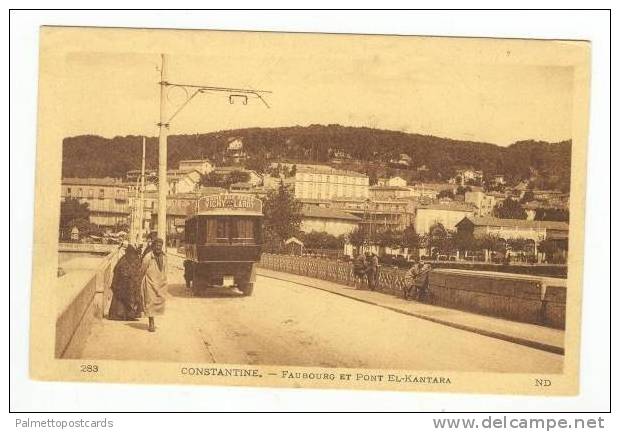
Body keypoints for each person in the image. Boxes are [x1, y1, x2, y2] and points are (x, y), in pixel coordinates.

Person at [108, 245, 142, 320]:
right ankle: (121, 315)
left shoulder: (127, 259)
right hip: (121, 284)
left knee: (126, 298)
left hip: (125, 284)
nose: (132, 256)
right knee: (121, 299)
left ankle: (126, 315)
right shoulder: (123, 261)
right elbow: (121, 272)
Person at [141, 238, 167, 332]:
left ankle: (153, 320)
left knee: (158, 303)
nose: (158, 248)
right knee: (150, 302)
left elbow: (164, 269)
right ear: (153, 246)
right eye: (157, 245)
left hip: (160, 284)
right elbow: (143, 269)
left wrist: (164, 280)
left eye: (160, 246)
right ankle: (151, 323)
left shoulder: (164, 257)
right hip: (150, 283)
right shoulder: (148, 257)